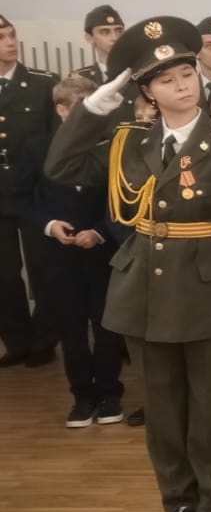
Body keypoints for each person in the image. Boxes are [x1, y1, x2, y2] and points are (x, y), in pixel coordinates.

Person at [46, 17, 211, 512]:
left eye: (187, 74)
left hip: (207, 292)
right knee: (164, 410)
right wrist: (95, 106)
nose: (183, 85)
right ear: (146, 91)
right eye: (166, 80)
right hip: (144, 292)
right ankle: (179, 501)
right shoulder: (128, 141)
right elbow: (60, 165)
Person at [14, 74, 123, 426]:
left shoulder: (112, 145)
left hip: (102, 251)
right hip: (57, 255)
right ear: (61, 110)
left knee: (107, 325)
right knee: (70, 328)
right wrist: (49, 225)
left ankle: (109, 394)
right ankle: (82, 396)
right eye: (80, 108)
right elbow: (20, 199)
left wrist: (100, 231)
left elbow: (123, 199)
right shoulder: (37, 148)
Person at [0, 12, 60, 368]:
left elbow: (56, 141)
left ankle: (44, 339)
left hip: (35, 189)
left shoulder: (43, 83)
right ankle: (17, 341)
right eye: (1, 37)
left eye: (11, 34)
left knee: (43, 267)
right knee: (4, 273)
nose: (10, 42)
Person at [73, 5, 138, 123]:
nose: (115, 37)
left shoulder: (140, 73)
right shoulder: (80, 78)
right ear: (89, 38)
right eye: (105, 32)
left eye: (119, 31)